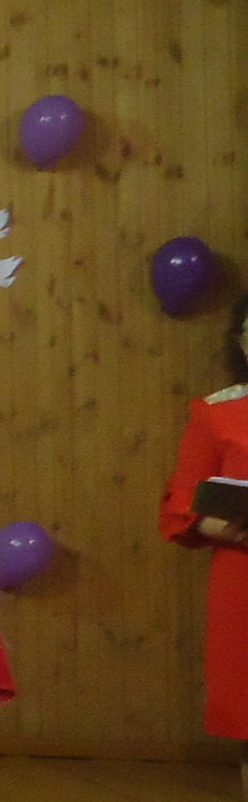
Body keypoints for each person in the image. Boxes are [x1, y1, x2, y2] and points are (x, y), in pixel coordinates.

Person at [159, 292, 248, 760]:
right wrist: (216, 524)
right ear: (241, 341)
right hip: (243, 575)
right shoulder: (218, 412)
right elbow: (183, 501)